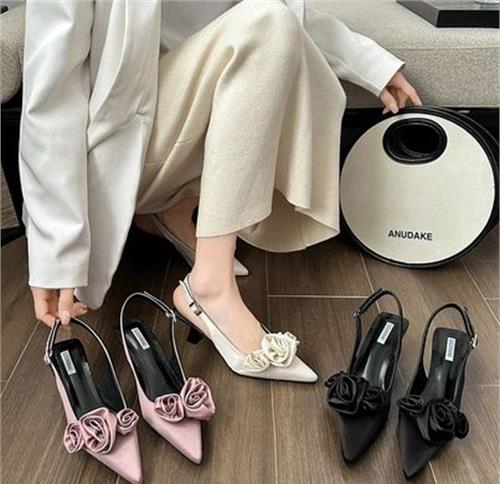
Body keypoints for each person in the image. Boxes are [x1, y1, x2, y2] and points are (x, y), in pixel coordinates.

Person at [21, 0, 421, 378]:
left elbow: (283, 17)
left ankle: (173, 210)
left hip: (176, 123)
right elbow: (50, 96)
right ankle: (209, 286)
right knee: (265, 21)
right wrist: (56, 248)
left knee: (268, 20)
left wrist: (373, 66)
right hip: (123, 150)